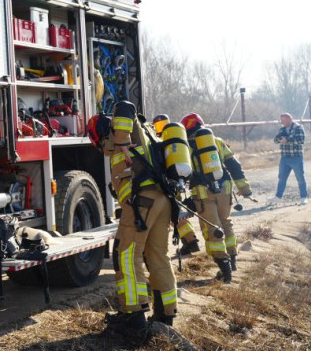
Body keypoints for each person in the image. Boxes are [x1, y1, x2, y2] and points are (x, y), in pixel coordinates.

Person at [90, 108, 177, 338]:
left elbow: (126, 106)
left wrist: (121, 142)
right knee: (157, 255)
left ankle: (133, 315)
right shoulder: (144, 135)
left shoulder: (121, 135)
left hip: (142, 202)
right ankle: (165, 315)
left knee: (126, 255)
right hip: (161, 201)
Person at [181, 113, 251, 283]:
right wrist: (244, 187)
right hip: (225, 188)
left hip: (202, 192)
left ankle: (225, 271)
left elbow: (183, 173)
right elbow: (234, 165)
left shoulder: (186, 147)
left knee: (212, 228)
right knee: (226, 222)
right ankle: (232, 261)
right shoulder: (217, 141)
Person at [153, 113, 200, 257]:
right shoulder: (175, 140)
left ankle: (189, 242)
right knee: (178, 213)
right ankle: (190, 241)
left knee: (173, 215)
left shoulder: (157, 140)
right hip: (179, 180)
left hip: (167, 184)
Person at [270, 112, 308, 206]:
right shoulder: (282, 129)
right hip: (284, 158)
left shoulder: (298, 128)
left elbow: (301, 140)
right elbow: (275, 140)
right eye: (281, 120)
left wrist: (287, 140)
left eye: (283, 120)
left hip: (296, 157)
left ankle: (304, 197)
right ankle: (278, 197)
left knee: (300, 178)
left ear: (289, 119)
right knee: (281, 178)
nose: (281, 122)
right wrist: (279, 139)